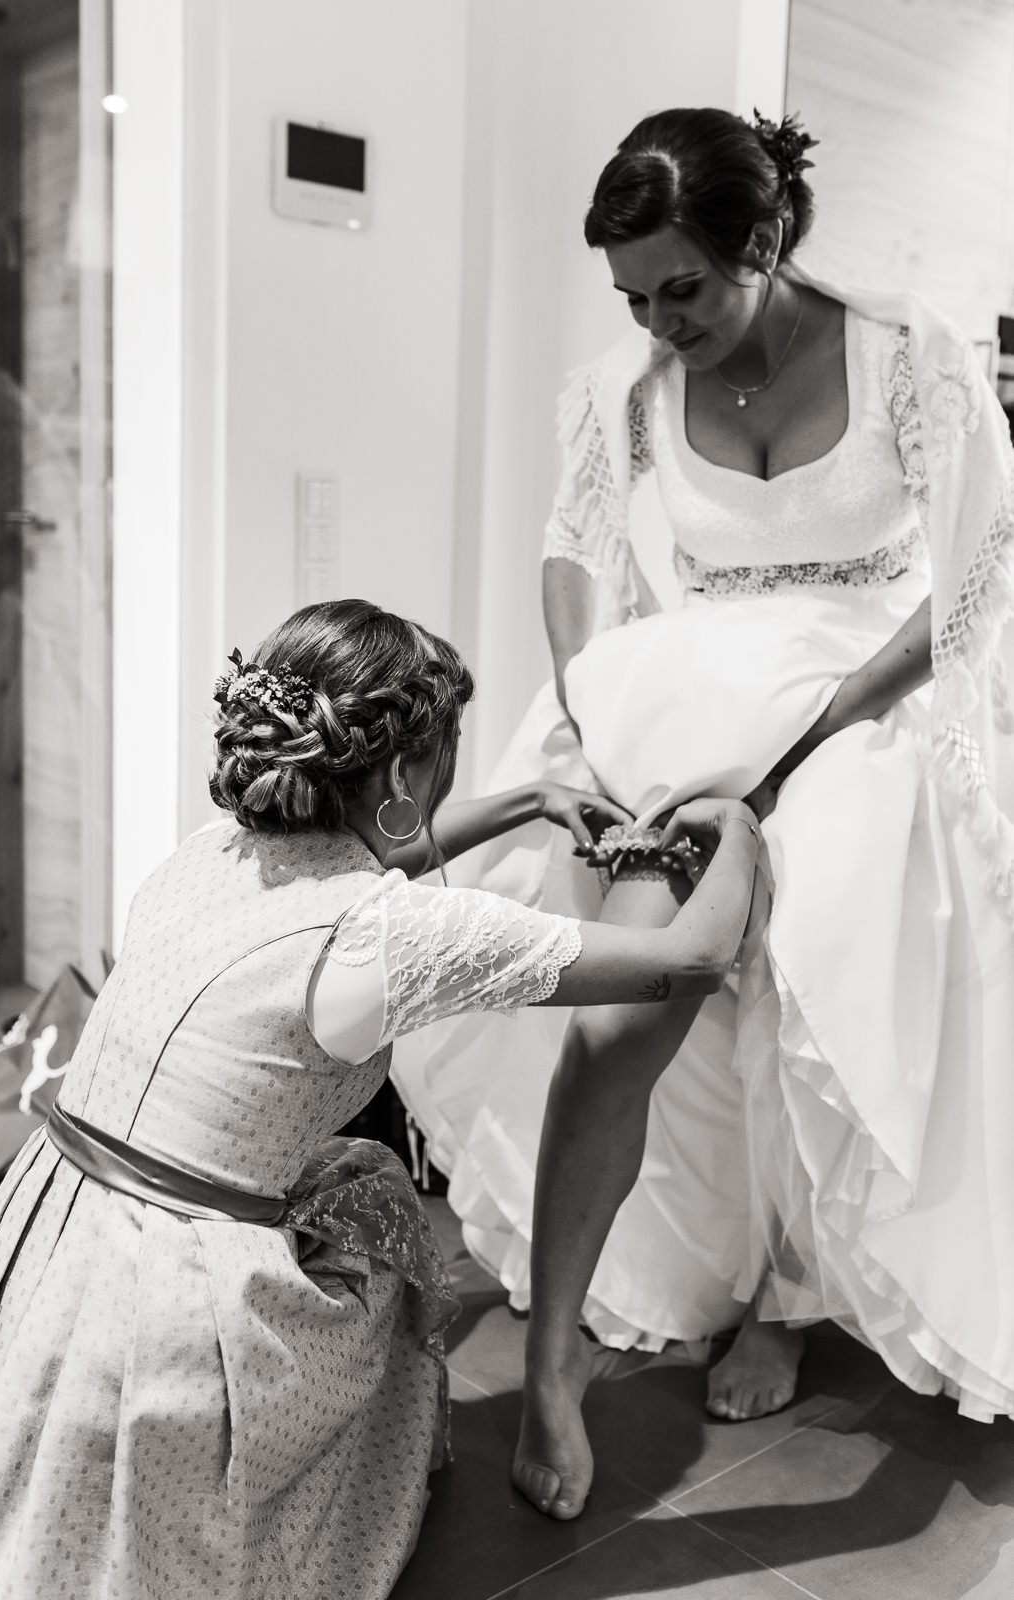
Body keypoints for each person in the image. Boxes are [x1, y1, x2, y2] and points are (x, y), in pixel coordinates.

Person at [391, 107, 1014, 1520]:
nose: (658, 325)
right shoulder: (624, 388)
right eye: (632, 298)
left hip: (860, 700)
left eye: (682, 290)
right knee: (618, 1013)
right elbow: (573, 546)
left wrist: (817, 732)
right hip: (682, 706)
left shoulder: (906, 356)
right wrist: (586, 699)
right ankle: (549, 1359)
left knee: (812, 960)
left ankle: (782, 1296)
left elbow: (974, 581)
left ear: (767, 239)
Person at [0, 597, 760, 1599]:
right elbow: (688, 958)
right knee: (372, 1198)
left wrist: (526, 801)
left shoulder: (213, 849)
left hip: (52, 1236)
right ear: (404, 775)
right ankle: (310, 1479)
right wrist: (739, 827)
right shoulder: (389, 935)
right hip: (172, 1306)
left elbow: (374, 859)